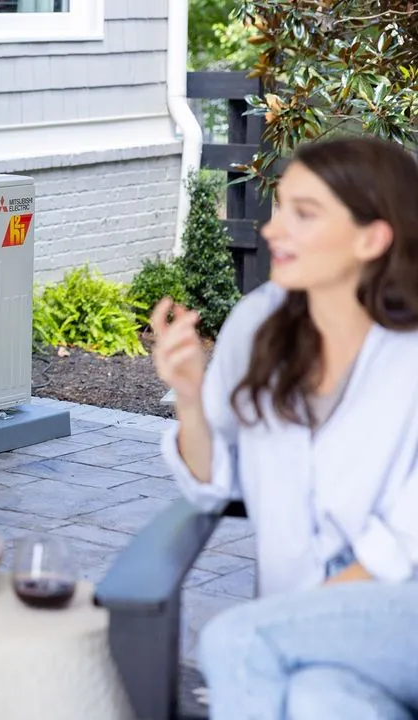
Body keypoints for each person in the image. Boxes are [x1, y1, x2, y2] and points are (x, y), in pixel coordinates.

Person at [151, 136, 418, 719]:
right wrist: (191, 399)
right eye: (279, 208)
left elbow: (405, 539)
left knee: (237, 640)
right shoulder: (257, 325)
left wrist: (292, 617)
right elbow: (213, 484)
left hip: (402, 609)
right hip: (307, 619)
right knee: (319, 699)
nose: (272, 230)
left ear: (372, 238)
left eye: (304, 213)